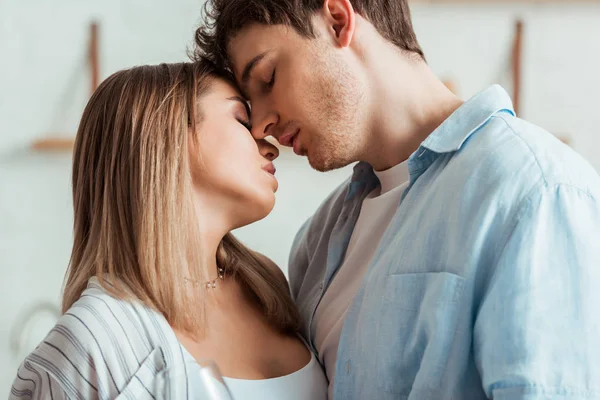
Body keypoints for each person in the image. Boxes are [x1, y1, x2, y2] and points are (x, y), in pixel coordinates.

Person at [193, 0, 600, 399]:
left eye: (267, 78)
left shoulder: (538, 191)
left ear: (338, 20)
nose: (261, 124)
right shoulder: (316, 241)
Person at [9, 60, 328, 400]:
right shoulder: (94, 341)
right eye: (241, 120)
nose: (268, 143)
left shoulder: (267, 288)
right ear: (168, 136)